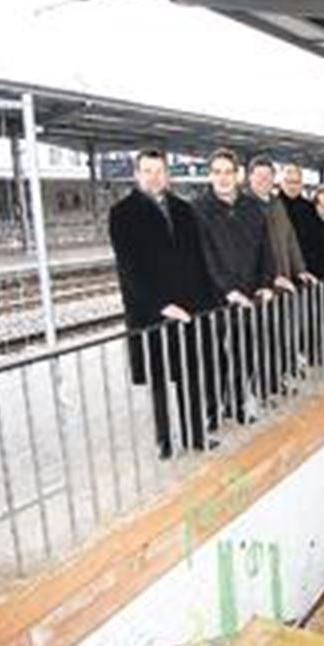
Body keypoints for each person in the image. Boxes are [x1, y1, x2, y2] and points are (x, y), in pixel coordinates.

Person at [108, 149, 218, 457]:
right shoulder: (122, 212)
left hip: (188, 309)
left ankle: (196, 435)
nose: (154, 177)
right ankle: (165, 441)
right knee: (159, 380)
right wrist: (160, 304)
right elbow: (130, 268)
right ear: (137, 175)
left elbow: (197, 259)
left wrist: (205, 303)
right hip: (150, 312)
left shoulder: (184, 209)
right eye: (148, 171)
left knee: (190, 374)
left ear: (167, 175)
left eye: (159, 171)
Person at [195, 148, 278, 421]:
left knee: (246, 352)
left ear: (238, 175)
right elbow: (204, 256)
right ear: (209, 175)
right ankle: (212, 410)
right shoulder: (198, 209)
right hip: (214, 298)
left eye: (228, 172)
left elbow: (267, 249)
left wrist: (266, 283)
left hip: (250, 296)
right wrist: (228, 290)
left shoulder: (251, 207)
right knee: (215, 357)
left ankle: (239, 404)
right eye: (217, 172)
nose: (222, 178)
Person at [246, 155, 315, 391]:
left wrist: (301, 270)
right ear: (250, 178)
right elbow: (249, 251)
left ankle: (278, 378)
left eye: (268, 176)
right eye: (259, 176)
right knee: (262, 339)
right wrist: (270, 277)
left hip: (283, 281)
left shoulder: (276, 204)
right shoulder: (245, 206)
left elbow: (290, 240)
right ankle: (263, 386)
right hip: (261, 285)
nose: (264, 180)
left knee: (280, 334)